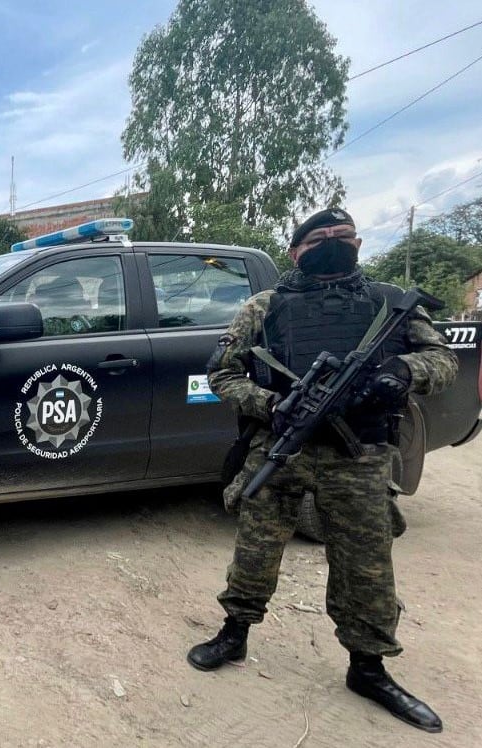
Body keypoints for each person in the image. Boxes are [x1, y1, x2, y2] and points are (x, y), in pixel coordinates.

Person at [190, 208, 458, 732]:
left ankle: (369, 668)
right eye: (319, 237)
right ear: (296, 251)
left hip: (360, 457)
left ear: (358, 242)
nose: (332, 241)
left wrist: (404, 371)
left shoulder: (387, 303)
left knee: (366, 564)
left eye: (342, 235)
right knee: (256, 548)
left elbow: (443, 360)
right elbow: (222, 373)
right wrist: (270, 404)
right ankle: (235, 633)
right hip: (282, 446)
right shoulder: (265, 306)